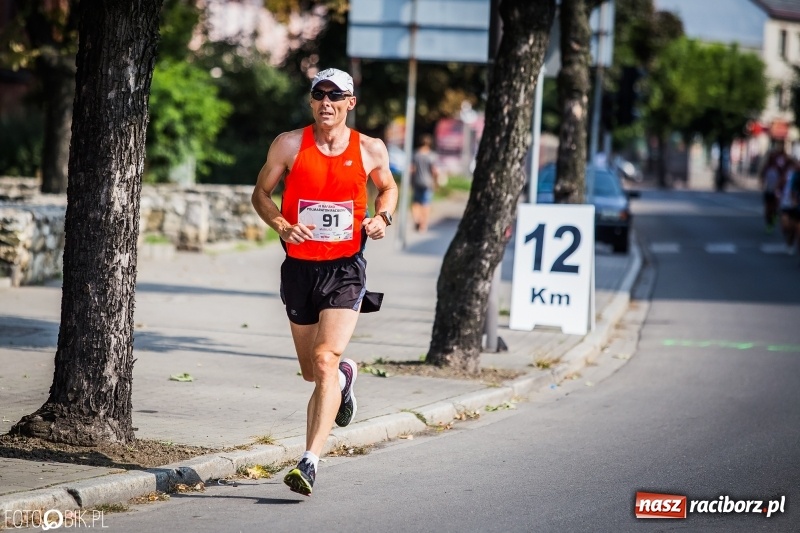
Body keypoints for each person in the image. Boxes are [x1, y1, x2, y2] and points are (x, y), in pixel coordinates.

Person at [251, 68, 398, 496]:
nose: (327, 102)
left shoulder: (369, 148)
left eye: (337, 96)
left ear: (351, 103)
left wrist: (381, 217)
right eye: (320, 94)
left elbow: (387, 188)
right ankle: (346, 378)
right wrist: (280, 223)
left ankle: (309, 461)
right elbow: (260, 193)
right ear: (311, 100)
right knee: (311, 374)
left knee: (323, 360)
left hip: (346, 269)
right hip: (299, 269)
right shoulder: (289, 144)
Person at [410, 134, 440, 233]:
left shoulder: (416, 154)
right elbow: (434, 170)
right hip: (428, 183)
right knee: (426, 204)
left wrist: (411, 180)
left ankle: (416, 219)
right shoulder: (432, 156)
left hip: (417, 182)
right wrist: (436, 181)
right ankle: (423, 225)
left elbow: (412, 169)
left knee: (416, 203)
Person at [759, 149, 789, 232]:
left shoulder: (779, 168)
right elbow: (762, 176)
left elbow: (783, 178)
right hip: (768, 190)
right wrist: (762, 184)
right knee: (767, 209)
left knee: (774, 207)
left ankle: (773, 218)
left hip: (776, 191)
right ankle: (769, 222)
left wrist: (780, 188)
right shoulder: (767, 167)